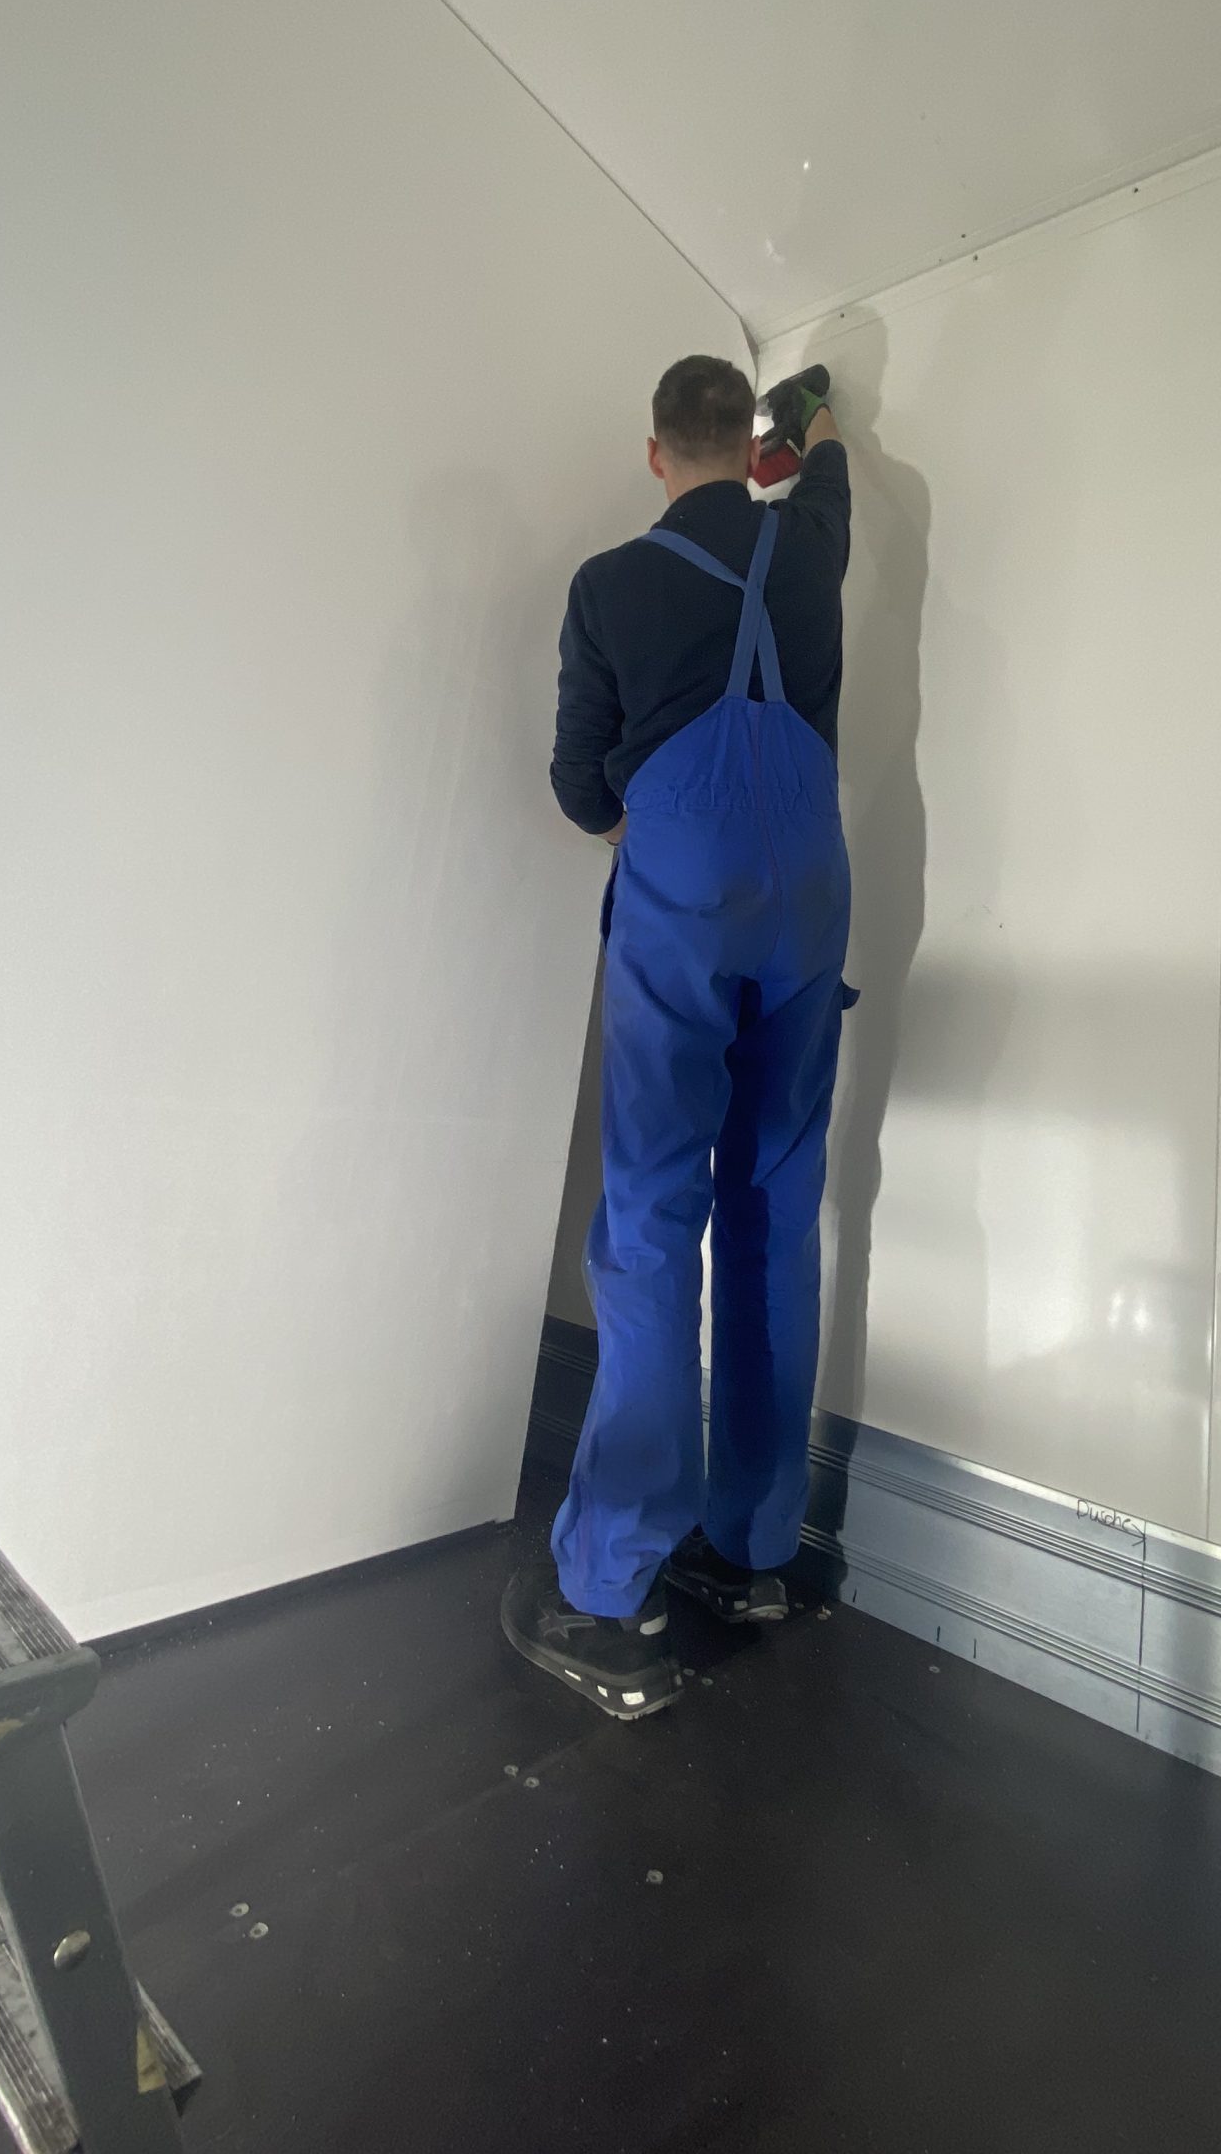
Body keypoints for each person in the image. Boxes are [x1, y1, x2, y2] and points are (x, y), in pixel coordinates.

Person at [501, 355, 854, 1721]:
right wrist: (807, 427)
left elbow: (576, 781)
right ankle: (755, 1556)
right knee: (776, 1207)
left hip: (685, 896)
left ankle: (612, 1592)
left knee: (652, 1216)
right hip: (810, 893)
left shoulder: (610, 585)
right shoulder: (810, 545)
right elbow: (822, 465)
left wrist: (638, 831)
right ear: (751, 446)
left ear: (654, 453)